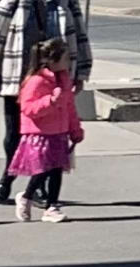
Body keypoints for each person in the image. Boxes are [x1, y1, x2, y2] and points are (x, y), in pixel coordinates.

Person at [0, 0, 92, 204]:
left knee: (50, 136)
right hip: (19, 77)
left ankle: (38, 186)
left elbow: (80, 38)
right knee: (15, 133)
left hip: (54, 78)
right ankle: (9, 175)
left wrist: (81, 72)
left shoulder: (67, 1)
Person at [8, 36, 84, 222]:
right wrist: (50, 101)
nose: (68, 62)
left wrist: (75, 129)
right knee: (43, 169)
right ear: (52, 59)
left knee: (57, 169)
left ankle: (52, 206)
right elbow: (28, 108)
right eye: (65, 58)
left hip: (59, 132)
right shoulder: (36, 81)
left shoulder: (64, 80)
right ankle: (26, 195)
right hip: (40, 133)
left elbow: (69, 107)